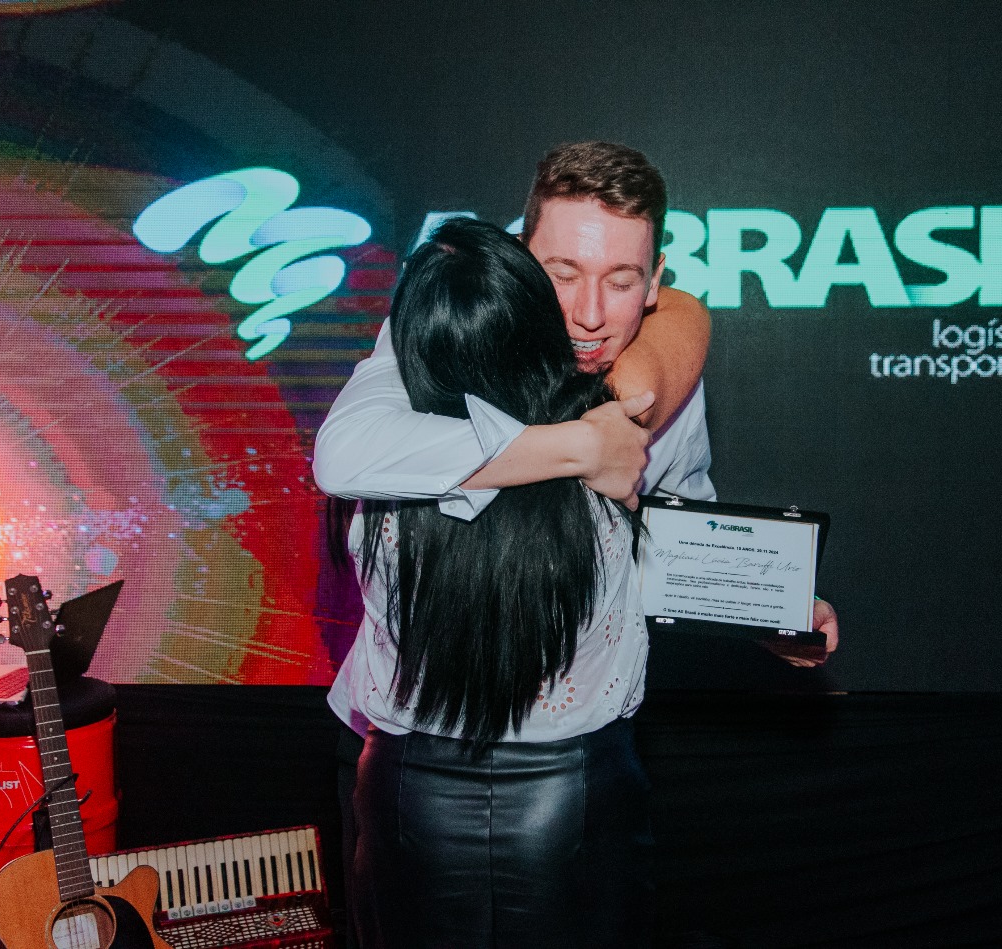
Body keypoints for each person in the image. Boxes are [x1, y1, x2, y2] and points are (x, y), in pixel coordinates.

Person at [316, 142, 839, 944]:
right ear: (521, 259)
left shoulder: (659, 380)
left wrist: (763, 607)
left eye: (621, 281)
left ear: (655, 284)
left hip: (579, 772)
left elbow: (662, 531)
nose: (590, 313)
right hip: (402, 760)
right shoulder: (441, 336)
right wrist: (584, 447)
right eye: (563, 272)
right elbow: (343, 455)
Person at [329, 217, 658, 947]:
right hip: (573, 789)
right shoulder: (605, 463)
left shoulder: (379, 487)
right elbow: (654, 585)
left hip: (409, 789)